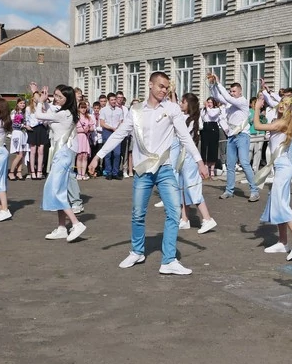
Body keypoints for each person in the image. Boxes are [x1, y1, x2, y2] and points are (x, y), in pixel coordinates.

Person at [89, 72, 208, 274]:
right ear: (150, 85)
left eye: (166, 87)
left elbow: (185, 137)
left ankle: (169, 260)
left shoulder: (172, 109)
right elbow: (119, 134)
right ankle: (137, 251)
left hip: (165, 168)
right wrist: (97, 156)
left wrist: (199, 162)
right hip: (143, 170)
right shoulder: (136, 111)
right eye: (161, 86)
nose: (164, 90)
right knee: (138, 213)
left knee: (174, 212)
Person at [253, 94, 292, 260]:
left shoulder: (283, 123)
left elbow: (257, 125)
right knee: (277, 202)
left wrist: (257, 109)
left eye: (286, 104)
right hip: (281, 167)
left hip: (283, 167)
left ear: (290, 109)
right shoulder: (285, 121)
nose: (281, 105)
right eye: (281, 102)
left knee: (282, 204)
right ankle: (283, 242)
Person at [34, 83, 87, 242]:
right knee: (59, 190)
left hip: (62, 154)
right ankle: (62, 227)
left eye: (59, 97)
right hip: (60, 153)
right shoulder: (64, 112)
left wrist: (40, 102)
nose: (56, 98)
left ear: (67, 99)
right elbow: (50, 112)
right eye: (55, 95)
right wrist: (43, 100)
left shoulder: (64, 114)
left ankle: (76, 223)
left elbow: (39, 115)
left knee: (56, 190)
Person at [208, 74, 260, 202]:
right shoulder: (230, 103)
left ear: (240, 91)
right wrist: (212, 84)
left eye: (234, 91)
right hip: (231, 136)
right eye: (230, 91)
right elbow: (216, 96)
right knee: (230, 165)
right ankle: (229, 190)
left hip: (242, 135)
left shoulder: (242, 101)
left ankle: (254, 191)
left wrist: (219, 83)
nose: (232, 93)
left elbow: (226, 97)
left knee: (244, 162)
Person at [176, 93, 218, 234]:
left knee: (193, 188)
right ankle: (185, 219)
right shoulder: (185, 118)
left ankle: (207, 218)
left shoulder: (191, 120)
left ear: (189, 105)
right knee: (182, 188)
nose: (180, 104)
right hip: (182, 157)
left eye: (183, 102)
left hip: (189, 157)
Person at [200, 97, 221, 178]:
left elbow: (212, 115)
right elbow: (202, 117)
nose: (209, 104)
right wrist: (205, 108)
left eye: (210, 102)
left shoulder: (216, 109)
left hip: (213, 127)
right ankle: (205, 166)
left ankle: (212, 168)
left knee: (213, 148)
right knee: (204, 147)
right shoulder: (204, 110)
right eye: (208, 102)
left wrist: (207, 108)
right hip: (205, 127)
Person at [9, 99, 29, 180]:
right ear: (17, 104)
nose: (22, 104)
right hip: (17, 133)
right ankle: (11, 172)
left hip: (23, 134)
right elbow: (13, 124)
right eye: (21, 103)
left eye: (24, 103)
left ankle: (19, 172)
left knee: (22, 154)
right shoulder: (14, 112)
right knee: (19, 154)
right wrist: (24, 126)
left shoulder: (24, 113)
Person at [74, 101, 95, 180]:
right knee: (79, 156)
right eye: (81, 108)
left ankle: (83, 174)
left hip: (85, 137)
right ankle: (79, 173)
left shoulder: (88, 117)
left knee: (85, 156)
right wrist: (81, 130)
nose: (83, 109)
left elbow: (92, 128)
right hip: (78, 137)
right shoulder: (76, 117)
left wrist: (89, 128)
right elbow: (73, 129)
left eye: (84, 108)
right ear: (79, 109)